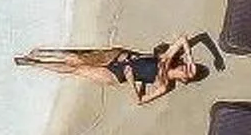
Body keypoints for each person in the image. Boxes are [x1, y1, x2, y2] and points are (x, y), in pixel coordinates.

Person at [14, 36, 211, 105]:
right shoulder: (166, 58)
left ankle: (34, 63)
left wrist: (133, 81)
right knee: (78, 57)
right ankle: (42, 52)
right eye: (189, 67)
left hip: (115, 76)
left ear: (185, 80)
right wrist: (191, 57)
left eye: (189, 72)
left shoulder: (164, 85)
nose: (187, 68)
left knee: (76, 69)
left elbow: (140, 101)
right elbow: (184, 39)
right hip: (118, 57)